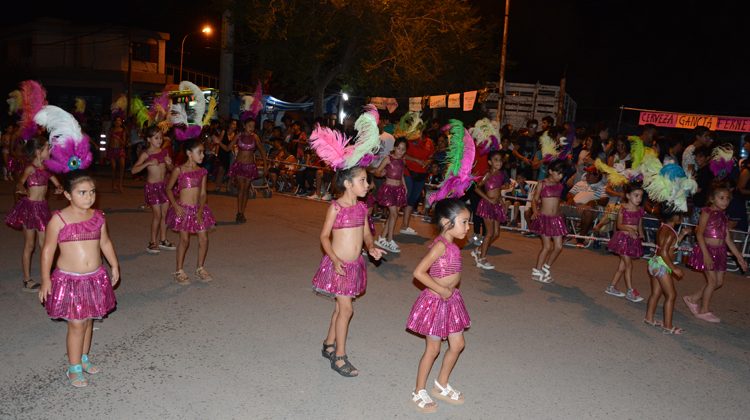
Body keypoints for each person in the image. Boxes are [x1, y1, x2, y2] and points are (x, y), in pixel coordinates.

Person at [38, 172, 118, 387]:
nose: (89, 197)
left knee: (89, 319)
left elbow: (106, 243)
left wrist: (114, 265)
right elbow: (47, 251)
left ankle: (83, 358)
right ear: (67, 194)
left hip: (94, 277)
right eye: (82, 192)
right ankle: (73, 368)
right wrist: (46, 279)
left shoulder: (98, 216)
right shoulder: (59, 219)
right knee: (76, 324)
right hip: (70, 280)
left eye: (92, 192)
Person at [313, 166, 385, 377]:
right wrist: (334, 259)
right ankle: (340, 356)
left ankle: (328, 344)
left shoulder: (362, 208)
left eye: (367, 181)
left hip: (355, 266)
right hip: (339, 266)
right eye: (362, 180)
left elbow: (366, 234)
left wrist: (371, 247)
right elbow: (324, 237)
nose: (368, 185)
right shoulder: (336, 207)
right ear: (348, 184)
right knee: (346, 310)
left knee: (340, 308)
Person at [407, 198, 471, 413]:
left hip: (451, 301)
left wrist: (449, 291)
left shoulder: (452, 244)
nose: (468, 227)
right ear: (447, 222)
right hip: (435, 302)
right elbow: (418, 272)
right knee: (433, 349)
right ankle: (419, 390)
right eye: (464, 222)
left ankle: (441, 383)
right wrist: (441, 289)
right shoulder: (441, 246)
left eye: (468, 222)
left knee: (458, 344)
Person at [5, 136, 63, 292]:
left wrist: (59, 188)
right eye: (47, 148)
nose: (50, 151)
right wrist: (21, 189)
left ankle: (48, 278)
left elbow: (57, 183)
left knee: (46, 245)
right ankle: (27, 280)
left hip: (42, 209)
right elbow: (19, 183)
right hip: (30, 209)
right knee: (29, 245)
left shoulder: (47, 168)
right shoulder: (30, 168)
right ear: (38, 152)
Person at [684, 184, 747, 323]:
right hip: (706, 250)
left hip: (720, 252)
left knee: (718, 282)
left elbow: (727, 239)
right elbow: (699, 233)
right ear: (712, 199)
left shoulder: (724, 217)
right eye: (722, 198)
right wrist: (706, 255)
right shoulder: (707, 212)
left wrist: (739, 257)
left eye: (727, 199)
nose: (725, 201)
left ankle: (692, 298)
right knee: (712, 281)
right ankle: (704, 310)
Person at [165, 138, 216, 285]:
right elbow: (168, 189)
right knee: (185, 240)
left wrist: (200, 211)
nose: (203, 155)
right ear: (189, 153)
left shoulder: (202, 171)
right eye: (199, 152)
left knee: (204, 239)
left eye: (203, 152)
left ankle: (200, 267)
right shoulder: (179, 170)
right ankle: (179, 270)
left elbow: (203, 194)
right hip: (183, 209)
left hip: (198, 210)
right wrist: (175, 206)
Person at [644, 211, 692, 334]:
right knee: (671, 295)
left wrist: (681, 234)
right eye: (681, 215)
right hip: (662, 266)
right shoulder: (670, 232)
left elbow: (671, 246)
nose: (682, 218)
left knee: (656, 293)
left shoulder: (664, 228)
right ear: (675, 216)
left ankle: (649, 318)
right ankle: (668, 326)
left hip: (655, 263)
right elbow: (664, 252)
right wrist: (674, 268)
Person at [131, 126, 176, 254]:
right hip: (152, 188)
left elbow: (173, 170)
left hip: (164, 186)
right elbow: (134, 170)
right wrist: (147, 163)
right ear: (149, 139)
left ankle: (163, 240)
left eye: (161, 137)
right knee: (157, 215)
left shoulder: (164, 152)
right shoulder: (146, 154)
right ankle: (152, 242)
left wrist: (169, 163)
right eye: (156, 138)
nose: (160, 140)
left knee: (165, 214)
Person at [604, 184, 646, 302]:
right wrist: (629, 230)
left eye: (641, 196)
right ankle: (630, 291)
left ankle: (611, 287)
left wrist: (641, 234)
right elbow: (619, 225)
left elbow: (639, 224)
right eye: (636, 195)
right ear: (628, 195)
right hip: (622, 239)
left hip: (633, 239)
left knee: (622, 266)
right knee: (629, 265)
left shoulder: (640, 210)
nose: (639, 199)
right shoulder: (623, 208)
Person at [529, 160, 568, 283]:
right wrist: (535, 211)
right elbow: (534, 200)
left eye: (562, 174)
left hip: (556, 219)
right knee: (547, 246)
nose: (560, 176)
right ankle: (537, 271)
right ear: (550, 171)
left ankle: (546, 268)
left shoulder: (561, 186)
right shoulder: (542, 184)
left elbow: (557, 203)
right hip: (544, 219)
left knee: (558, 246)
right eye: (558, 173)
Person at [471, 151, 508, 270]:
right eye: (496, 160)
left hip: (496, 205)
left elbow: (497, 191)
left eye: (500, 160)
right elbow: (477, 188)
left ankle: (478, 250)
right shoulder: (488, 174)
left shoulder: (501, 174)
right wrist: (488, 199)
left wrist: (501, 201)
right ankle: (481, 259)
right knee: (490, 233)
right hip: (487, 204)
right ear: (490, 162)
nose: (499, 162)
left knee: (496, 234)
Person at [229, 119, 267, 223]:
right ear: (244, 125)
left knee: (246, 190)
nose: (251, 127)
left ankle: (242, 212)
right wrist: (218, 142)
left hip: (250, 166)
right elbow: (228, 148)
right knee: (241, 189)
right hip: (240, 165)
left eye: (253, 126)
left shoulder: (255, 137)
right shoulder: (239, 135)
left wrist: (265, 166)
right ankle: (239, 212)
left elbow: (262, 151)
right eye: (249, 125)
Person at [374, 139, 408, 253]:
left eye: (403, 150)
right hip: (389, 189)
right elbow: (377, 171)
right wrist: (381, 173)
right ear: (394, 147)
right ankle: (389, 240)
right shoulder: (388, 159)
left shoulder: (403, 161)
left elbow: (401, 174)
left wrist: (405, 187)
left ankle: (382, 238)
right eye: (398, 148)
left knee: (394, 214)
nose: (400, 151)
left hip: (399, 190)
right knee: (393, 214)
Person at [402, 131, 434, 235]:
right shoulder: (410, 140)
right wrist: (416, 160)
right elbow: (403, 154)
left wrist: (428, 161)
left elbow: (431, 156)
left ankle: (405, 226)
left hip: (422, 174)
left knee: (413, 199)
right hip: (409, 172)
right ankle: (393, 220)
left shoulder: (429, 142)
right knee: (406, 196)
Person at [213, 119, 238, 192]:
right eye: (233, 124)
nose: (234, 126)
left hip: (230, 154)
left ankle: (228, 187)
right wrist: (216, 153)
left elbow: (234, 145)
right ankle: (217, 186)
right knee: (221, 170)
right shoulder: (224, 132)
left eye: (235, 124)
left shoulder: (235, 134)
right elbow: (218, 142)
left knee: (230, 171)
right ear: (229, 124)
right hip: (222, 153)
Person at [107, 116, 127, 192]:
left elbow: (124, 143)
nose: (118, 122)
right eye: (117, 120)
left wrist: (119, 138)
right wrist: (106, 151)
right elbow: (109, 141)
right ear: (114, 122)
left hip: (120, 150)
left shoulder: (123, 131)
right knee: (113, 167)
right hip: (112, 150)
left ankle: (120, 185)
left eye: (120, 120)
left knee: (122, 165)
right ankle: (113, 184)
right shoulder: (111, 130)